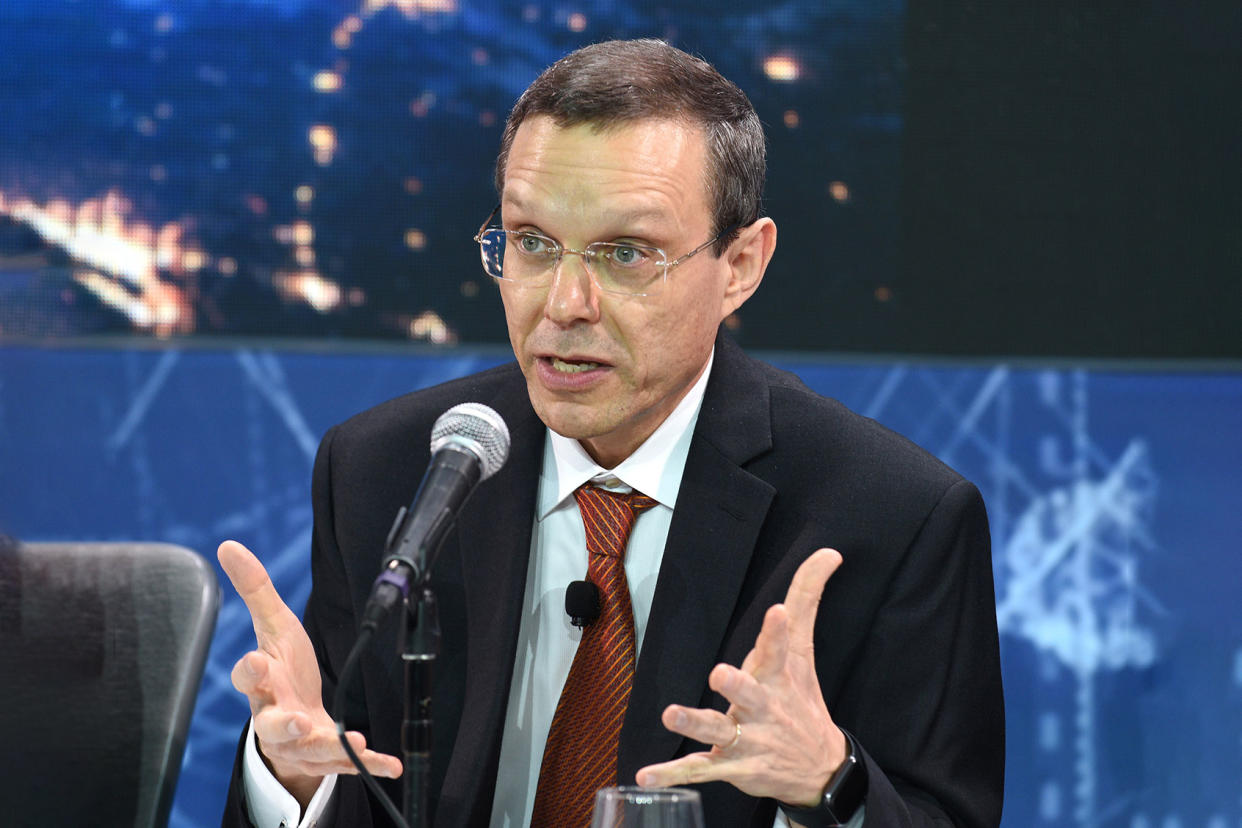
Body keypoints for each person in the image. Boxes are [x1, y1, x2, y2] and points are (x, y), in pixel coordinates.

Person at [220, 39, 1003, 828]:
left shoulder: (893, 518)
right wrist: (291, 782)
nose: (564, 303)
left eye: (626, 253)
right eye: (530, 242)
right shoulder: (391, 471)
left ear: (740, 265)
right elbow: (355, 777)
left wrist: (829, 785)